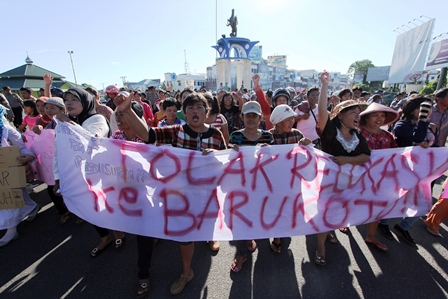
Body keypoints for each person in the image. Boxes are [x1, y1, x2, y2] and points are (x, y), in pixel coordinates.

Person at [114, 92, 226, 295]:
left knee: (207, 224)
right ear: (185, 112)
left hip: (207, 196)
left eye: (199, 107)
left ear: (206, 111)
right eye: (190, 107)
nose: (194, 111)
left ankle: (210, 237)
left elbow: (226, 163)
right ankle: (187, 271)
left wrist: (218, 156)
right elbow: (148, 134)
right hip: (182, 197)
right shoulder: (176, 131)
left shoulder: (216, 135)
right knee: (185, 234)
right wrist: (127, 110)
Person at [316, 71, 370, 265]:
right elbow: (322, 112)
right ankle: (321, 247)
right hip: (328, 184)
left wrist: (348, 160)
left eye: (358, 113)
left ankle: (330, 230)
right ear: (341, 115)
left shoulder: (358, 136)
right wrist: (324, 85)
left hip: (349, 186)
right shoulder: (330, 132)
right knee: (324, 213)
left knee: (338, 212)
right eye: (353, 113)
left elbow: (366, 156)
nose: (357, 117)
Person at [55, 87, 111, 252]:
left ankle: (118, 233)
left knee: (106, 205)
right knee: (90, 208)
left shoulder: (96, 119)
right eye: (66, 100)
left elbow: (91, 140)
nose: (69, 103)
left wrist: (68, 123)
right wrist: (57, 178)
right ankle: (105, 236)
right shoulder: (68, 122)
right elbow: (58, 151)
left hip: (99, 174)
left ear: (86, 101)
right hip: (77, 174)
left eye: (74, 99)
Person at [377, 95, 434, 246]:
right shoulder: (402, 125)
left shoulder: (428, 125)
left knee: (422, 201)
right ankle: (383, 223)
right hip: (402, 169)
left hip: (419, 170)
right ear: (412, 110)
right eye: (422, 109)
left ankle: (403, 226)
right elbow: (418, 138)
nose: (426, 112)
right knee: (395, 197)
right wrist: (422, 122)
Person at [228, 101, 273, 272]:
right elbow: (230, 160)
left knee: (259, 215)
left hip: (262, 186)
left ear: (261, 118)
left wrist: (271, 152)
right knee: (241, 218)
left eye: (255, 115)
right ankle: (241, 254)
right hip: (241, 186)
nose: (251, 119)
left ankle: (251, 239)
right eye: (248, 115)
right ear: (242, 117)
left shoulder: (268, 137)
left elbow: (276, 161)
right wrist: (230, 150)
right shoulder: (235, 136)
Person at [268, 104, 312, 253]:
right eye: (287, 119)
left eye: (292, 118)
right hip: (273, 183)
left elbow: (305, 156)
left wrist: (307, 144)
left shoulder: (297, 135)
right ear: (278, 121)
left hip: (293, 182)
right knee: (275, 209)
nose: (291, 121)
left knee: (289, 208)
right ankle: (277, 237)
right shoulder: (268, 136)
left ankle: (284, 230)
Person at [359, 102, 399, 251]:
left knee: (376, 206)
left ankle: (371, 235)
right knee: (351, 203)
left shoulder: (388, 136)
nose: (379, 119)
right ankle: (344, 224)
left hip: (381, 179)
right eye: (376, 115)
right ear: (367, 118)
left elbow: (397, 155)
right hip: (359, 177)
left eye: (382, 116)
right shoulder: (356, 133)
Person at [0, 105, 40, 247]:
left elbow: (22, 147)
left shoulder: (6, 129)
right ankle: (32, 207)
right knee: (19, 194)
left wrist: (27, 158)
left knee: (8, 198)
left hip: (7, 168)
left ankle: (11, 229)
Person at [34, 97, 72, 224]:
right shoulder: (48, 125)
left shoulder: (69, 123)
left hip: (69, 163)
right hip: (54, 164)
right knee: (53, 189)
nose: (48, 111)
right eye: (46, 108)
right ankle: (65, 211)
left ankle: (79, 212)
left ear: (62, 110)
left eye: (52, 108)